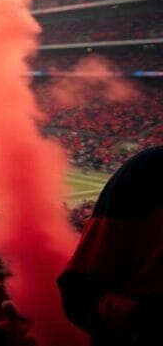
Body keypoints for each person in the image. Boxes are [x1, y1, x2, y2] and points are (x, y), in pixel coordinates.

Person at [58, 145, 163, 346]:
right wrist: (142, 317)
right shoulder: (148, 172)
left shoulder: (146, 170)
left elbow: (79, 291)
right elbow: (81, 291)